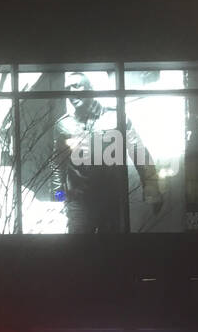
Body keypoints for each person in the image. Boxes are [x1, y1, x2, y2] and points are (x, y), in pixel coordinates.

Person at [49, 73, 161, 234]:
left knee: (113, 252)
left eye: (77, 86)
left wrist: (153, 191)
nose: (72, 92)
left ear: (90, 89)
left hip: (112, 201)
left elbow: (139, 153)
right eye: (68, 88)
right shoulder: (64, 124)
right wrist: (58, 199)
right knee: (76, 253)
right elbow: (57, 164)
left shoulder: (115, 117)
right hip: (79, 204)